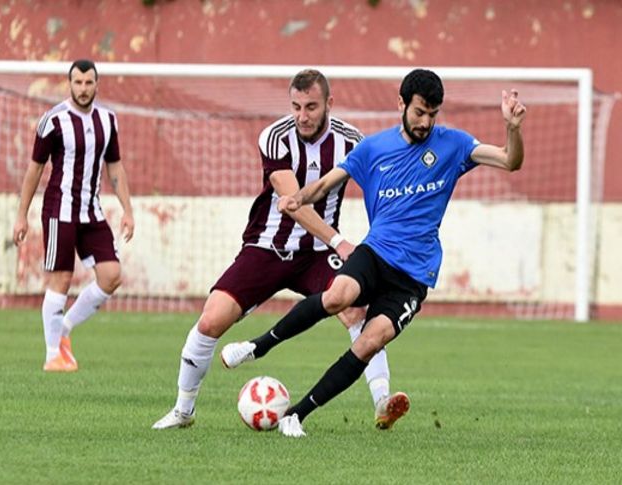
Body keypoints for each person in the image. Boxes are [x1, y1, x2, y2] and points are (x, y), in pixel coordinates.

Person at [222, 69, 527, 437]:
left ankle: (295, 416)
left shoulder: (454, 145)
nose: (425, 122)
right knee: (338, 296)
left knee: (369, 341)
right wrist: (299, 198)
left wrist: (512, 128)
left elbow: (510, 161)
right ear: (401, 104)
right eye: (418, 112)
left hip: (414, 275)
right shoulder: (372, 149)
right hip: (375, 252)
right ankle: (256, 348)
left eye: (432, 114)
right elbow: (324, 184)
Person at [152, 69, 406, 431]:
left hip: (319, 254)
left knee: (356, 311)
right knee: (210, 320)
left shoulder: (353, 142)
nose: (302, 115)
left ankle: (383, 400)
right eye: (296, 106)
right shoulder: (275, 137)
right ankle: (183, 410)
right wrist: (340, 241)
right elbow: (293, 201)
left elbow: (381, 189)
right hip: (267, 247)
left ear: (329, 104)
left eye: (311, 107)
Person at [12, 59, 134, 373]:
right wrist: (21, 215)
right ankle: (53, 354)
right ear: (70, 84)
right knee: (61, 280)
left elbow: (115, 166)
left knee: (112, 276)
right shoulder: (53, 120)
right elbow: (34, 170)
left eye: (88, 83)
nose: (83, 89)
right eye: (77, 83)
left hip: (91, 213)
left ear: (97, 84)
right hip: (59, 211)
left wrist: (128, 209)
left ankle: (63, 328)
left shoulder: (108, 120)